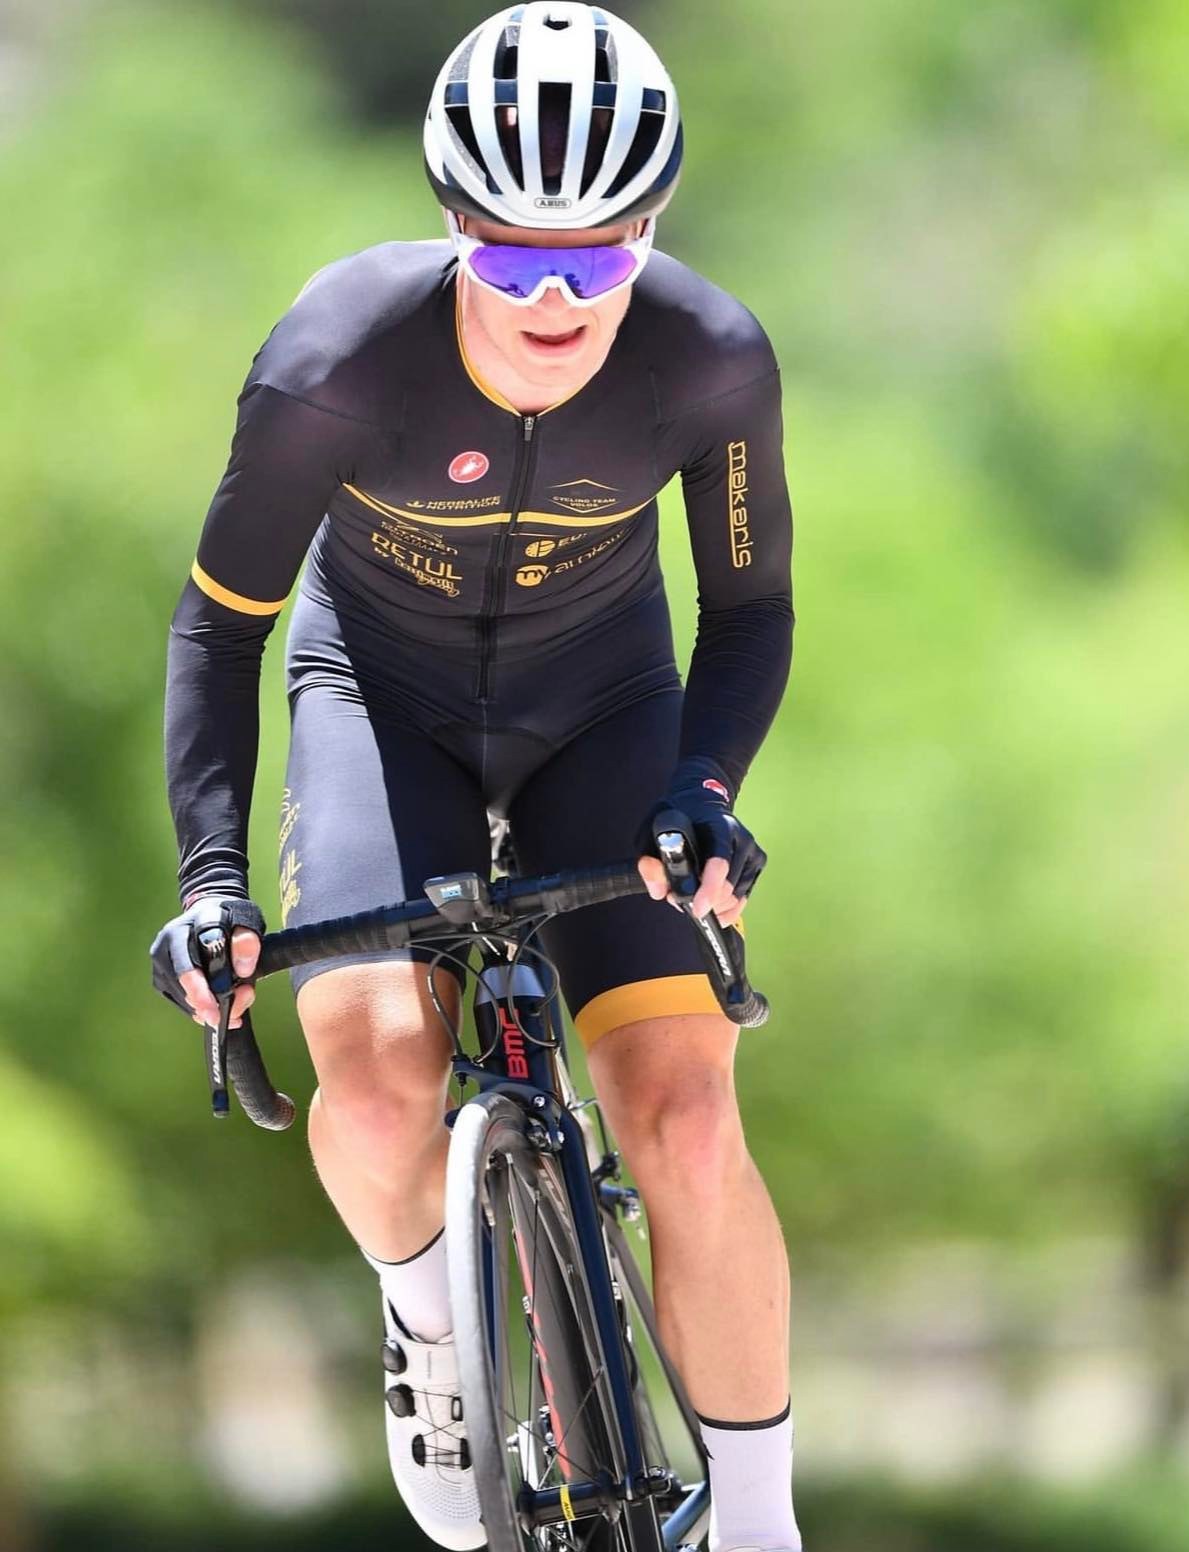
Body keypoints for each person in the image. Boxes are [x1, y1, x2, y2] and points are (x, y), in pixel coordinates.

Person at [150, 4, 799, 1549]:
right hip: (378, 700)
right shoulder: (336, 358)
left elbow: (749, 609)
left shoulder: (707, 360)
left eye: (599, 257)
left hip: (606, 707)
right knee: (377, 1078)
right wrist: (213, 882)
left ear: (652, 233)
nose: (556, 300)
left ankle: (759, 1519)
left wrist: (704, 789)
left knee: (685, 1112)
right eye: (512, 263)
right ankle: (427, 1327)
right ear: (453, 229)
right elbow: (219, 625)